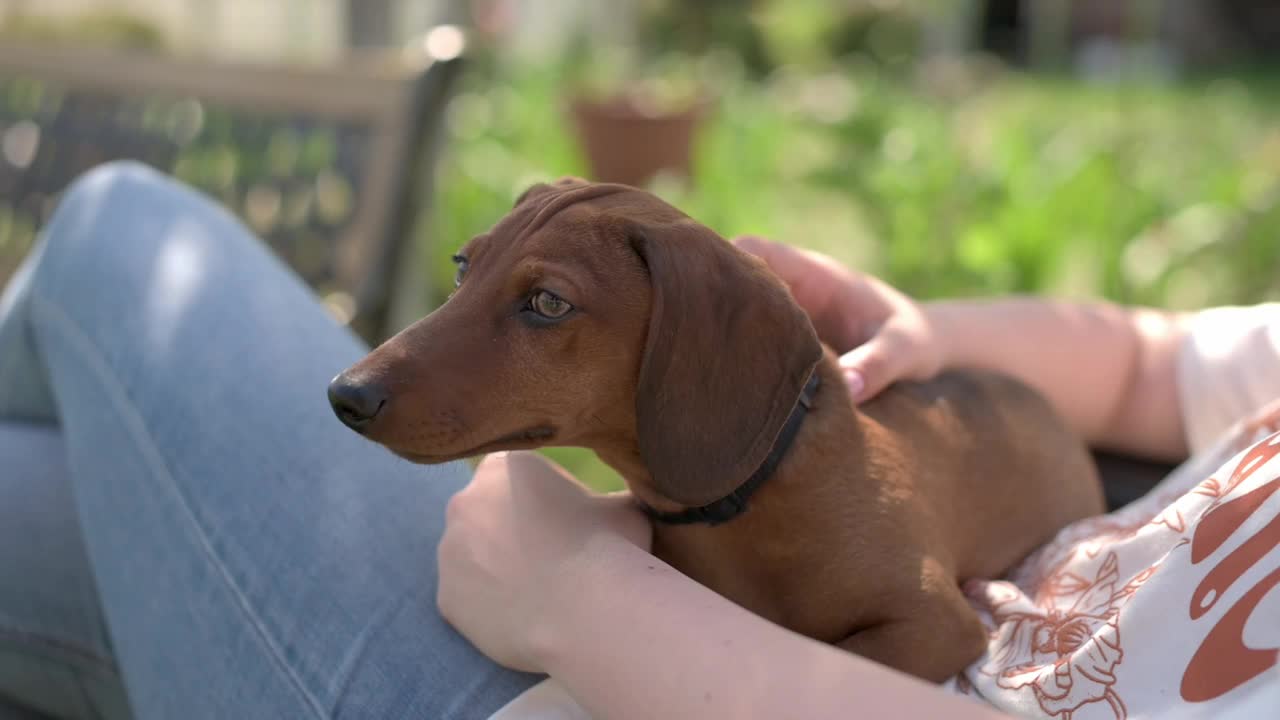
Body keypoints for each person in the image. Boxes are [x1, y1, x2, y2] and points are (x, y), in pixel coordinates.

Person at [0, 163, 1275, 720]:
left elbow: (932, 632)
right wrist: (911, 330)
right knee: (36, 492)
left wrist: (580, 599)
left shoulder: (830, 533)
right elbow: (1160, 357)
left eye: (541, 308)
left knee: (116, 234)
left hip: (592, 686)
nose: (405, 355)